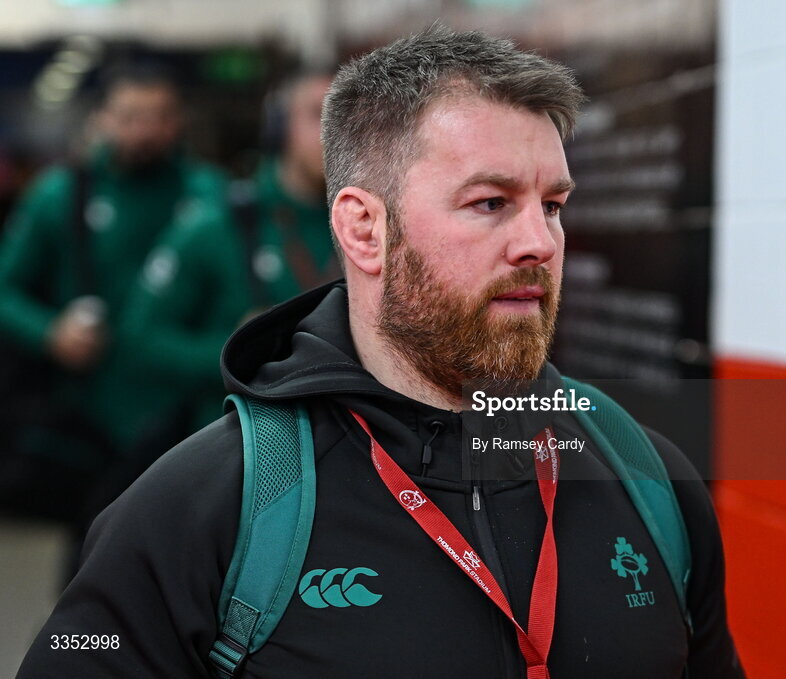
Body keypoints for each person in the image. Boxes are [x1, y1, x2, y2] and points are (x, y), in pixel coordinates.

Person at [16, 28, 744, 678]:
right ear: (365, 230)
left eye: (551, 204)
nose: (540, 242)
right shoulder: (204, 509)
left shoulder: (648, 478)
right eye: (490, 202)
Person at [0, 63, 224, 519]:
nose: (144, 130)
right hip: (90, 414)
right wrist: (50, 332)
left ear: (177, 121)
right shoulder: (60, 194)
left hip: (188, 411)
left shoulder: (211, 197)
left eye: (158, 116)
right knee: (91, 557)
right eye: (129, 116)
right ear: (102, 119)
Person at [118, 70, 336, 434]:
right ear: (278, 127)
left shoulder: (373, 226)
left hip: (344, 443)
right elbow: (139, 338)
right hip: (241, 444)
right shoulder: (218, 223)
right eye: (317, 113)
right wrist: (237, 351)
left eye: (346, 116)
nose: (335, 131)